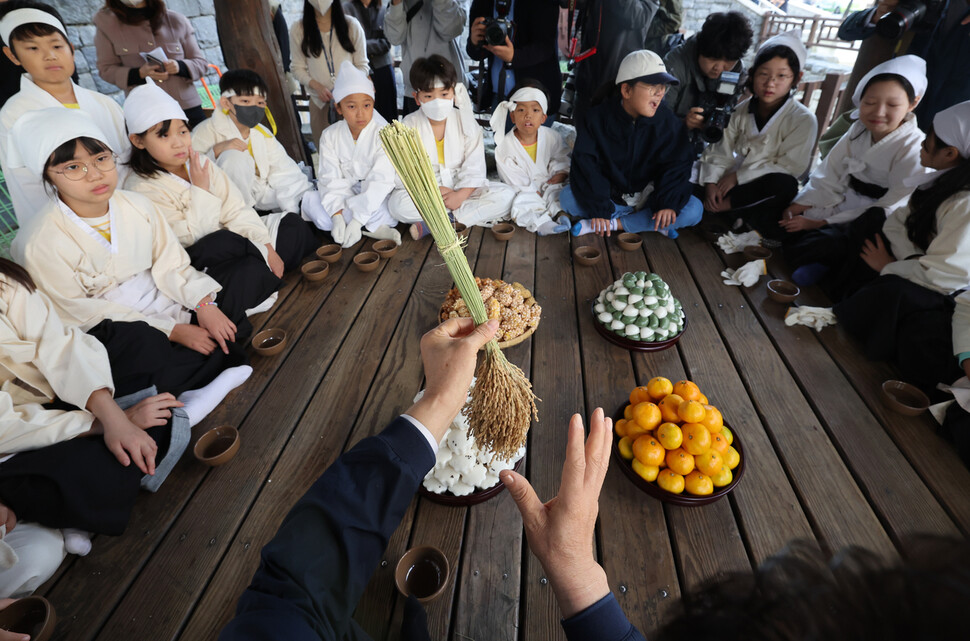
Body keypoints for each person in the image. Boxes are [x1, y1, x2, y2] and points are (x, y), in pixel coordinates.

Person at [14, 108, 253, 431]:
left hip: (164, 298)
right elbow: (78, 315)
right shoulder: (37, 242)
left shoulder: (137, 205)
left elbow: (172, 263)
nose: (94, 174)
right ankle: (190, 387)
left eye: (100, 159)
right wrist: (172, 331)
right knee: (144, 344)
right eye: (73, 167)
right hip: (116, 329)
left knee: (229, 315)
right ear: (48, 176)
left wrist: (203, 305)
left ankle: (183, 387)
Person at [124, 78, 316, 303]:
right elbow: (188, 241)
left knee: (294, 227)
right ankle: (253, 279)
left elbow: (237, 209)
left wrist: (266, 248)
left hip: (238, 242)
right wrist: (201, 190)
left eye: (183, 132)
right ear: (138, 141)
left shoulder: (199, 162)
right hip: (206, 258)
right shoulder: (141, 188)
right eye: (164, 135)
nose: (178, 143)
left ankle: (258, 274)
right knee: (221, 244)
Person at [833, 100, 970, 395]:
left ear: (950, 153)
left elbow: (946, 275)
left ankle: (848, 316)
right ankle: (843, 297)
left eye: (928, 142)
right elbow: (897, 223)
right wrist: (903, 257)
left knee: (894, 291)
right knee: (871, 222)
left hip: (945, 291)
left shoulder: (965, 204)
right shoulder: (938, 182)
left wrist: (888, 266)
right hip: (917, 263)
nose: (922, 145)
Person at [780, 56, 927, 289]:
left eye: (892, 105)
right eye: (870, 102)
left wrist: (822, 223)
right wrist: (804, 204)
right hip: (842, 200)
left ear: (912, 103)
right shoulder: (857, 130)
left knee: (833, 238)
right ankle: (818, 258)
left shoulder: (914, 147)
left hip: (874, 218)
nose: (878, 112)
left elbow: (891, 205)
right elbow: (828, 173)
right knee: (787, 222)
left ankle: (822, 265)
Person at [0, 1, 130, 236]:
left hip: (127, 216)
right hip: (70, 230)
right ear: (12, 55)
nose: (49, 56)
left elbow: (128, 164)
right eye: (33, 48)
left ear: (70, 48)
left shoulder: (104, 104)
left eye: (57, 46)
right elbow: (28, 188)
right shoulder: (14, 115)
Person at [563, 49, 702, 239]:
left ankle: (614, 224)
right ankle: (644, 223)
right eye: (652, 87)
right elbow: (587, 165)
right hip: (610, 197)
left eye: (663, 87)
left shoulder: (669, 123)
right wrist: (600, 206)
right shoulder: (596, 119)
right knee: (566, 197)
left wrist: (667, 204)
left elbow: (677, 166)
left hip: (649, 198)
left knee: (694, 209)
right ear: (626, 90)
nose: (660, 93)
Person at [697, 29, 817, 239]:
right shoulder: (741, 110)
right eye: (764, 74)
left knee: (785, 185)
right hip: (730, 184)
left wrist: (738, 177)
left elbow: (791, 166)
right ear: (752, 74)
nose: (770, 83)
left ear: (796, 78)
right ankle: (725, 208)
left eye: (781, 76)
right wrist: (711, 184)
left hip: (759, 188)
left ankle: (726, 208)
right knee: (692, 170)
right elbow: (720, 149)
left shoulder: (803, 119)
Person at [388, 55, 515, 238]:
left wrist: (461, 195)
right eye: (429, 96)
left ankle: (440, 222)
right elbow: (403, 172)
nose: (437, 102)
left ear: (453, 93)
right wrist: (432, 189)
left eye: (444, 94)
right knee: (397, 205)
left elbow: (475, 165)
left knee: (506, 195)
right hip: (428, 191)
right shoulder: (408, 125)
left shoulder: (465, 122)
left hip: (462, 185)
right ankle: (455, 219)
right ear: (417, 98)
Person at [190, 69, 321, 226]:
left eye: (259, 103)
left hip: (261, 195)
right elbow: (186, 172)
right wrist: (216, 151)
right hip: (226, 203)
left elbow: (283, 167)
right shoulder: (205, 131)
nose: (254, 107)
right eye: (246, 101)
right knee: (233, 157)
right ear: (226, 103)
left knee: (306, 200)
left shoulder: (261, 133)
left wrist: (304, 199)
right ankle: (241, 219)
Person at [837, 0, 970, 129]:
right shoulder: (925, 4)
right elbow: (846, 31)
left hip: (955, 121)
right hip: (896, 115)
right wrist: (878, 15)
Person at [313, 60, 400, 248]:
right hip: (345, 195)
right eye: (352, 107)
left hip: (377, 197)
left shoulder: (383, 133)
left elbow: (381, 180)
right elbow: (329, 177)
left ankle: (362, 226)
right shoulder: (329, 136)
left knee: (394, 207)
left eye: (367, 105)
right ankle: (368, 228)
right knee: (312, 203)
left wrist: (357, 220)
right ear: (339, 108)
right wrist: (336, 215)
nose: (361, 114)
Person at [93, 0, 209, 129]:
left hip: (187, 108)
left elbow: (201, 63)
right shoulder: (107, 24)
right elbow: (106, 69)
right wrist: (139, 73)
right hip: (146, 112)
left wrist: (179, 66)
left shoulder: (176, 20)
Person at [490, 82, 571, 235]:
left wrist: (560, 173)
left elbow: (561, 157)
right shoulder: (504, 147)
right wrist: (532, 190)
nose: (528, 115)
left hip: (550, 181)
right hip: (523, 189)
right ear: (512, 116)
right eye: (521, 110)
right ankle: (542, 223)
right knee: (520, 202)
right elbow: (512, 177)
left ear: (543, 117)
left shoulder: (552, 137)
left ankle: (560, 214)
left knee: (559, 192)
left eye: (535, 110)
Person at [564, 0, 659, 127]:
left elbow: (638, 17)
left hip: (616, 82)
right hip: (588, 73)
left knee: (610, 139)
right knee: (583, 136)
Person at [290, 0, 369, 149]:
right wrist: (317, 86)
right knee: (326, 151)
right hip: (319, 103)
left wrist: (346, 87)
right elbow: (297, 68)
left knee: (356, 151)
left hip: (350, 103)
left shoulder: (351, 25)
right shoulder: (298, 29)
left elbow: (362, 66)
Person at [466, 0, 562, 117]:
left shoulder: (542, 4)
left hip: (535, 99)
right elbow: (475, 53)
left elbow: (545, 47)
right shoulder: (482, 3)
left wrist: (514, 57)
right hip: (499, 97)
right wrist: (475, 42)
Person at [663, 11, 753, 132]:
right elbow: (656, 119)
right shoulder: (674, 65)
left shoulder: (738, 72)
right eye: (713, 59)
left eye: (728, 61)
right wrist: (683, 123)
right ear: (700, 50)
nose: (719, 68)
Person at [383, 0, 466, 116]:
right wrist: (396, 4)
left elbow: (450, 30)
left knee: (454, 132)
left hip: (449, 89)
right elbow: (394, 38)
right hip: (416, 89)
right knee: (415, 131)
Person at [342, 0, 397, 123]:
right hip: (357, 70)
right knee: (363, 115)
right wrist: (371, 44)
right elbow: (346, 43)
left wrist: (360, 44)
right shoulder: (346, 9)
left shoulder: (384, 9)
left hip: (383, 69)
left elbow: (386, 43)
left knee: (388, 115)